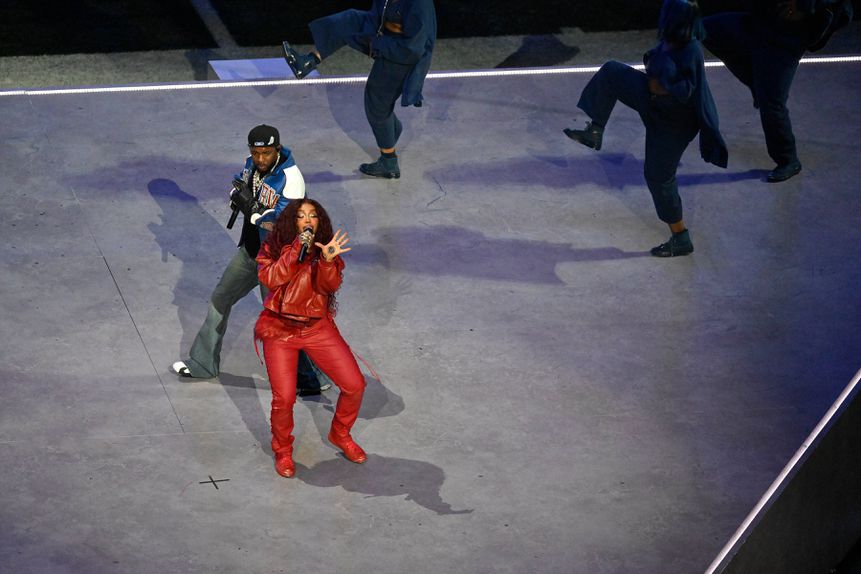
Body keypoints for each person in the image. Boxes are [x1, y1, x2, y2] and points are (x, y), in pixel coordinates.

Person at [172, 125, 330, 394]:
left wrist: (253, 210)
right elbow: (239, 184)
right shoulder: (252, 165)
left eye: (266, 153)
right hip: (250, 251)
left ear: (277, 150)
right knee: (220, 297)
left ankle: (311, 378)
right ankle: (203, 362)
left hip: (277, 262)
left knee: (281, 319)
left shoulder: (291, 179)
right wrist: (238, 195)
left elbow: (282, 225)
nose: (260, 159)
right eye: (255, 153)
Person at [563, 0, 728, 257]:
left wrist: (664, 82)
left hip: (674, 123)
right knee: (612, 72)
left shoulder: (691, 49)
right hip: (653, 103)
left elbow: (687, 90)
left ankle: (681, 237)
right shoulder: (672, 40)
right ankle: (595, 130)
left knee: (658, 178)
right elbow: (654, 63)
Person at [254, 199, 367, 478]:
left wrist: (328, 261)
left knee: (355, 385)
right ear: (293, 222)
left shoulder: (327, 249)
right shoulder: (274, 246)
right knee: (285, 399)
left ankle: (340, 433)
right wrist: (295, 250)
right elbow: (271, 278)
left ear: (319, 222)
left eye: (313, 216)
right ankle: (282, 450)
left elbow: (329, 286)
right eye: (301, 216)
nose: (308, 220)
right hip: (279, 330)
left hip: (317, 328)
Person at [280, 0, 437, 180]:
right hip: (385, 34)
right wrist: (366, 33)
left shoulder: (420, 4)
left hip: (402, 54)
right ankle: (308, 62)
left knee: (377, 104)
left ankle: (389, 162)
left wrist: (377, 44)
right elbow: (378, 15)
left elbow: (414, 48)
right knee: (349, 21)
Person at [702, 0, 852, 183]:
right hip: (760, 26)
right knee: (706, 29)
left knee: (772, 105)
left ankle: (788, 160)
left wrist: (802, 7)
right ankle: (758, 84)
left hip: (787, 42)